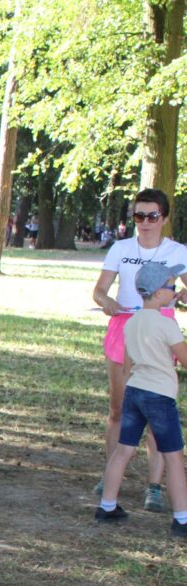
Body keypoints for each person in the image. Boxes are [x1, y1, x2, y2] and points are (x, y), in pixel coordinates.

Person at [90, 189, 187, 512]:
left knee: (159, 408)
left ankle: (154, 486)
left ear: (164, 218)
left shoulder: (177, 252)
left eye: (152, 216)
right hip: (125, 326)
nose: (145, 223)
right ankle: (110, 477)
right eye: (139, 216)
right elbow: (99, 290)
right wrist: (108, 304)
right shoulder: (121, 248)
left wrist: (180, 296)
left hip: (161, 331)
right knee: (119, 407)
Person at [95, 262, 187, 537]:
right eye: (173, 287)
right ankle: (182, 518)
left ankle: (107, 505)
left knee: (123, 451)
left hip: (134, 392)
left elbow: (126, 366)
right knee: (173, 457)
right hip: (159, 397)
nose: (176, 291)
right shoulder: (167, 325)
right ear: (159, 293)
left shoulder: (131, 322)